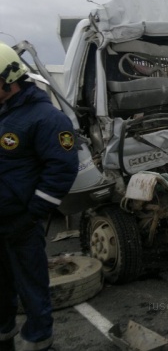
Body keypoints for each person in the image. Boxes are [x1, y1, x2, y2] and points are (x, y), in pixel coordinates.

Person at [0, 43, 79, 351]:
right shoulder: (5, 114)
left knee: (32, 287)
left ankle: (38, 340)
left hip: (20, 222)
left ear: (9, 79)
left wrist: (33, 212)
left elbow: (62, 169)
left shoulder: (46, 118)